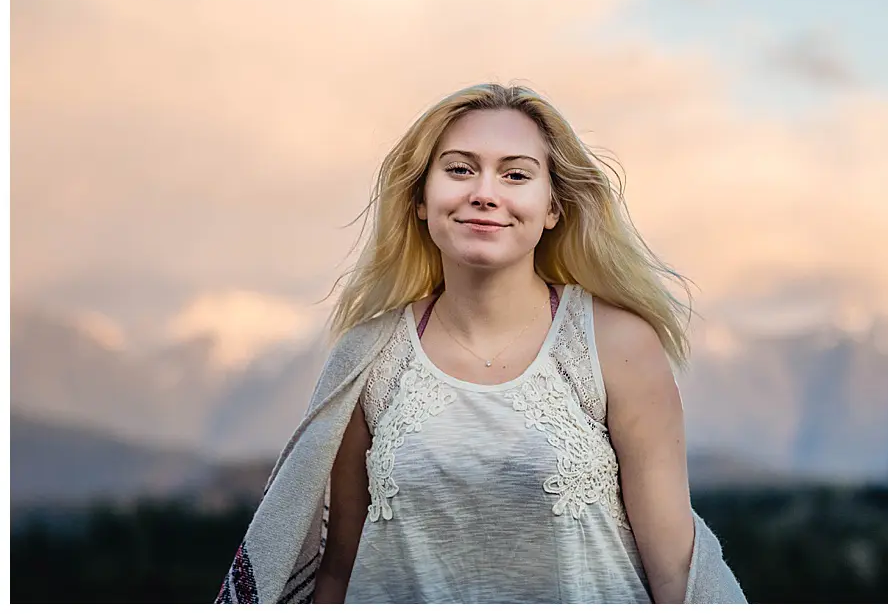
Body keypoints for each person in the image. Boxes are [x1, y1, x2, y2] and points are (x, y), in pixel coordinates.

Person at [216, 82, 746, 604]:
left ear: (552, 207)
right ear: (421, 199)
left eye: (515, 175)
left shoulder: (617, 343)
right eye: (460, 169)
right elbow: (339, 570)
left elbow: (676, 564)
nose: (485, 193)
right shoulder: (370, 356)